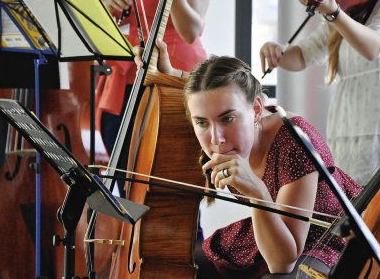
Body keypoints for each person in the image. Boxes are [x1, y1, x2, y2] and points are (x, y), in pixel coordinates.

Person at [136, 41, 362, 278]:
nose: (216, 139)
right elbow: (212, 97)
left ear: (256, 110)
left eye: (228, 119)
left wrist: (257, 193)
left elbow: (282, 263)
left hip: (328, 241)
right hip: (269, 231)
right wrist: (171, 74)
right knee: (181, 267)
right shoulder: (225, 119)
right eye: (201, 122)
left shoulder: (293, 141)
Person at [260, 0, 380, 185]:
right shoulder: (349, 11)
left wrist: (334, 13)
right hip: (345, 128)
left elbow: (374, 46)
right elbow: (302, 56)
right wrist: (276, 53)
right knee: (347, 204)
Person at [96, 0, 210, 154]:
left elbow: (191, 32)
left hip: (172, 77)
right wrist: (105, 5)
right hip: (122, 77)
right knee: (123, 169)